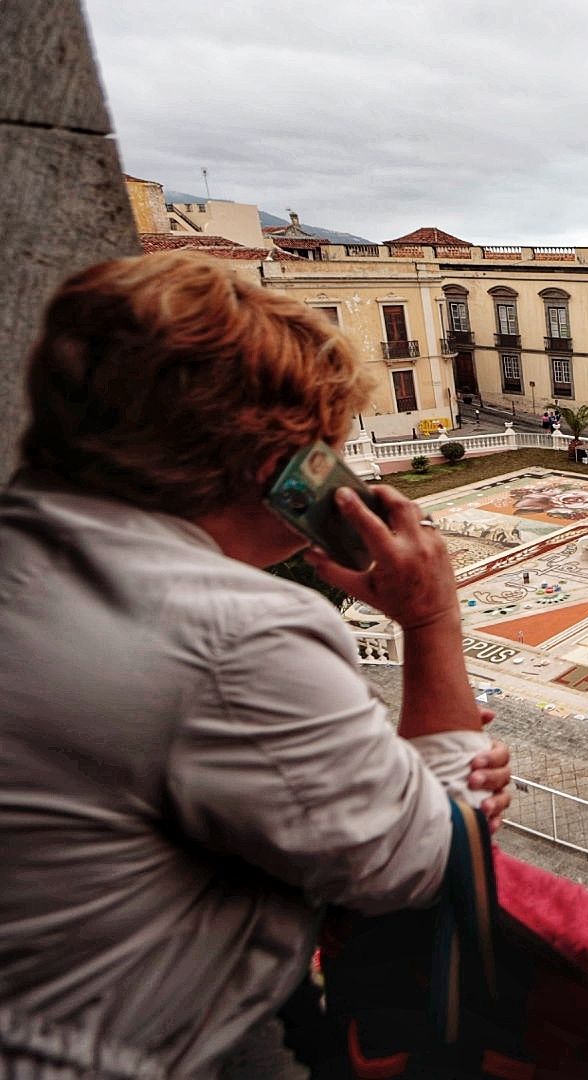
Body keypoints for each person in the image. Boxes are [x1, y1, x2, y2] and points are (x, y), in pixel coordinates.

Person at [0, 253, 513, 1079]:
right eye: (330, 452)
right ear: (281, 472)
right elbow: (426, 857)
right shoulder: (238, 633)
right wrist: (430, 615)